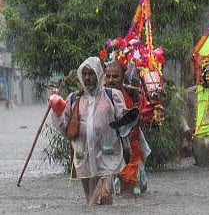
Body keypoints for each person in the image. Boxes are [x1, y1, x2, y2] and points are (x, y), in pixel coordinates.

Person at [50, 56, 126, 205]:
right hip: (83, 156)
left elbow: (124, 123)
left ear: (98, 74)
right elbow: (64, 129)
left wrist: (127, 116)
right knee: (90, 200)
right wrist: (57, 111)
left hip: (107, 156)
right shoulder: (73, 99)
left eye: (91, 74)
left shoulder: (112, 96)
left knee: (103, 197)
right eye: (84, 74)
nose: (87, 78)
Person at [104, 61, 151, 196]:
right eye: (108, 76)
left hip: (130, 153)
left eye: (115, 77)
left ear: (123, 77)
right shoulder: (99, 95)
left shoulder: (131, 94)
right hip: (106, 153)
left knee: (128, 197)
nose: (111, 80)